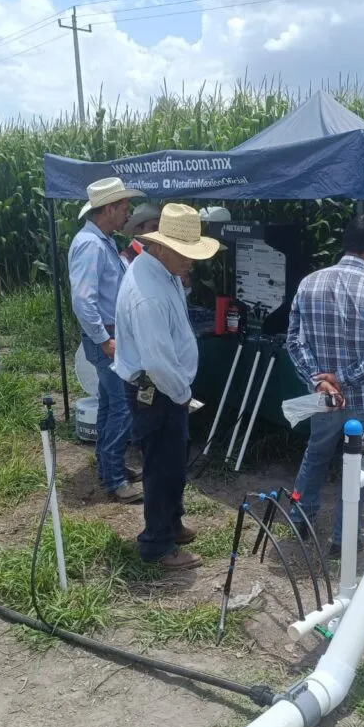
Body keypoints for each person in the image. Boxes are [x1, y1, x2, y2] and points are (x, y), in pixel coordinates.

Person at [286, 214, 364, 558]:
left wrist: (319, 381)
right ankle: (343, 539)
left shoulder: (309, 284)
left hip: (324, 398)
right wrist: (347, 378)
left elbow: (293, 341)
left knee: (316, 454)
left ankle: (299, 518)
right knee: (359, 467)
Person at [114, 203, 220, 570]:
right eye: (184, 253)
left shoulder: (161, 272)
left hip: (165, 388)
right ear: (158, 246)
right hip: (157, 390)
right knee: (161, 467)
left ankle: (171, 524)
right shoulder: (149, 294)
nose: (190, 261)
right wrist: (181, 395)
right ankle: (156, 545)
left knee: (173, 462)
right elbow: (157, 360)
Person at [68, 177, 146, 504]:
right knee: (124, 408)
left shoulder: (102, 240)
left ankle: (107, 467)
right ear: (109, 208)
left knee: (111, 404)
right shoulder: (90, 244)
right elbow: (82, 301)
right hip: (108, 338)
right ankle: (114, 479)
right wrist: (104, 340)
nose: (128, 213)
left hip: (112, 335)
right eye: (125, 207)